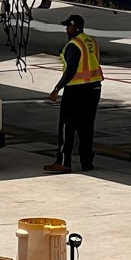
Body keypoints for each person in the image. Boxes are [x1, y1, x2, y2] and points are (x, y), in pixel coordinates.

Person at [44, 14, 103, 173]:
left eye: (68, 26)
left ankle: (63, 162)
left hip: (76, 89)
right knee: (86, 127)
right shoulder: (92, 41)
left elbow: (71, 70)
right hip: (95, 89)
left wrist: (57, 88)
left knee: (66, 125)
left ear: (75, 27)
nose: (66, 29)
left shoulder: (73, 45)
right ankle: (87, 162)